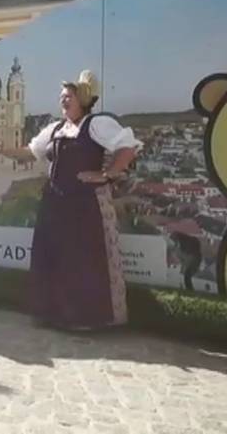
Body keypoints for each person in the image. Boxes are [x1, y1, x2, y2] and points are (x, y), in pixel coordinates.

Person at [27, 70, 141, 331]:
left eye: (68, 96)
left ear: (82, 99)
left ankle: (84, 318)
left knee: (82, 259)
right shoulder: (56, 128)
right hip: (55, 203)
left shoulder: (96, 124)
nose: (63, 100)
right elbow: (30, 151)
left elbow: (127, 147)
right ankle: (52, 313)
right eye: (61, 96)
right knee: (52, 256)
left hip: (83, 204)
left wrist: (107, 174)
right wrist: (1, 149)